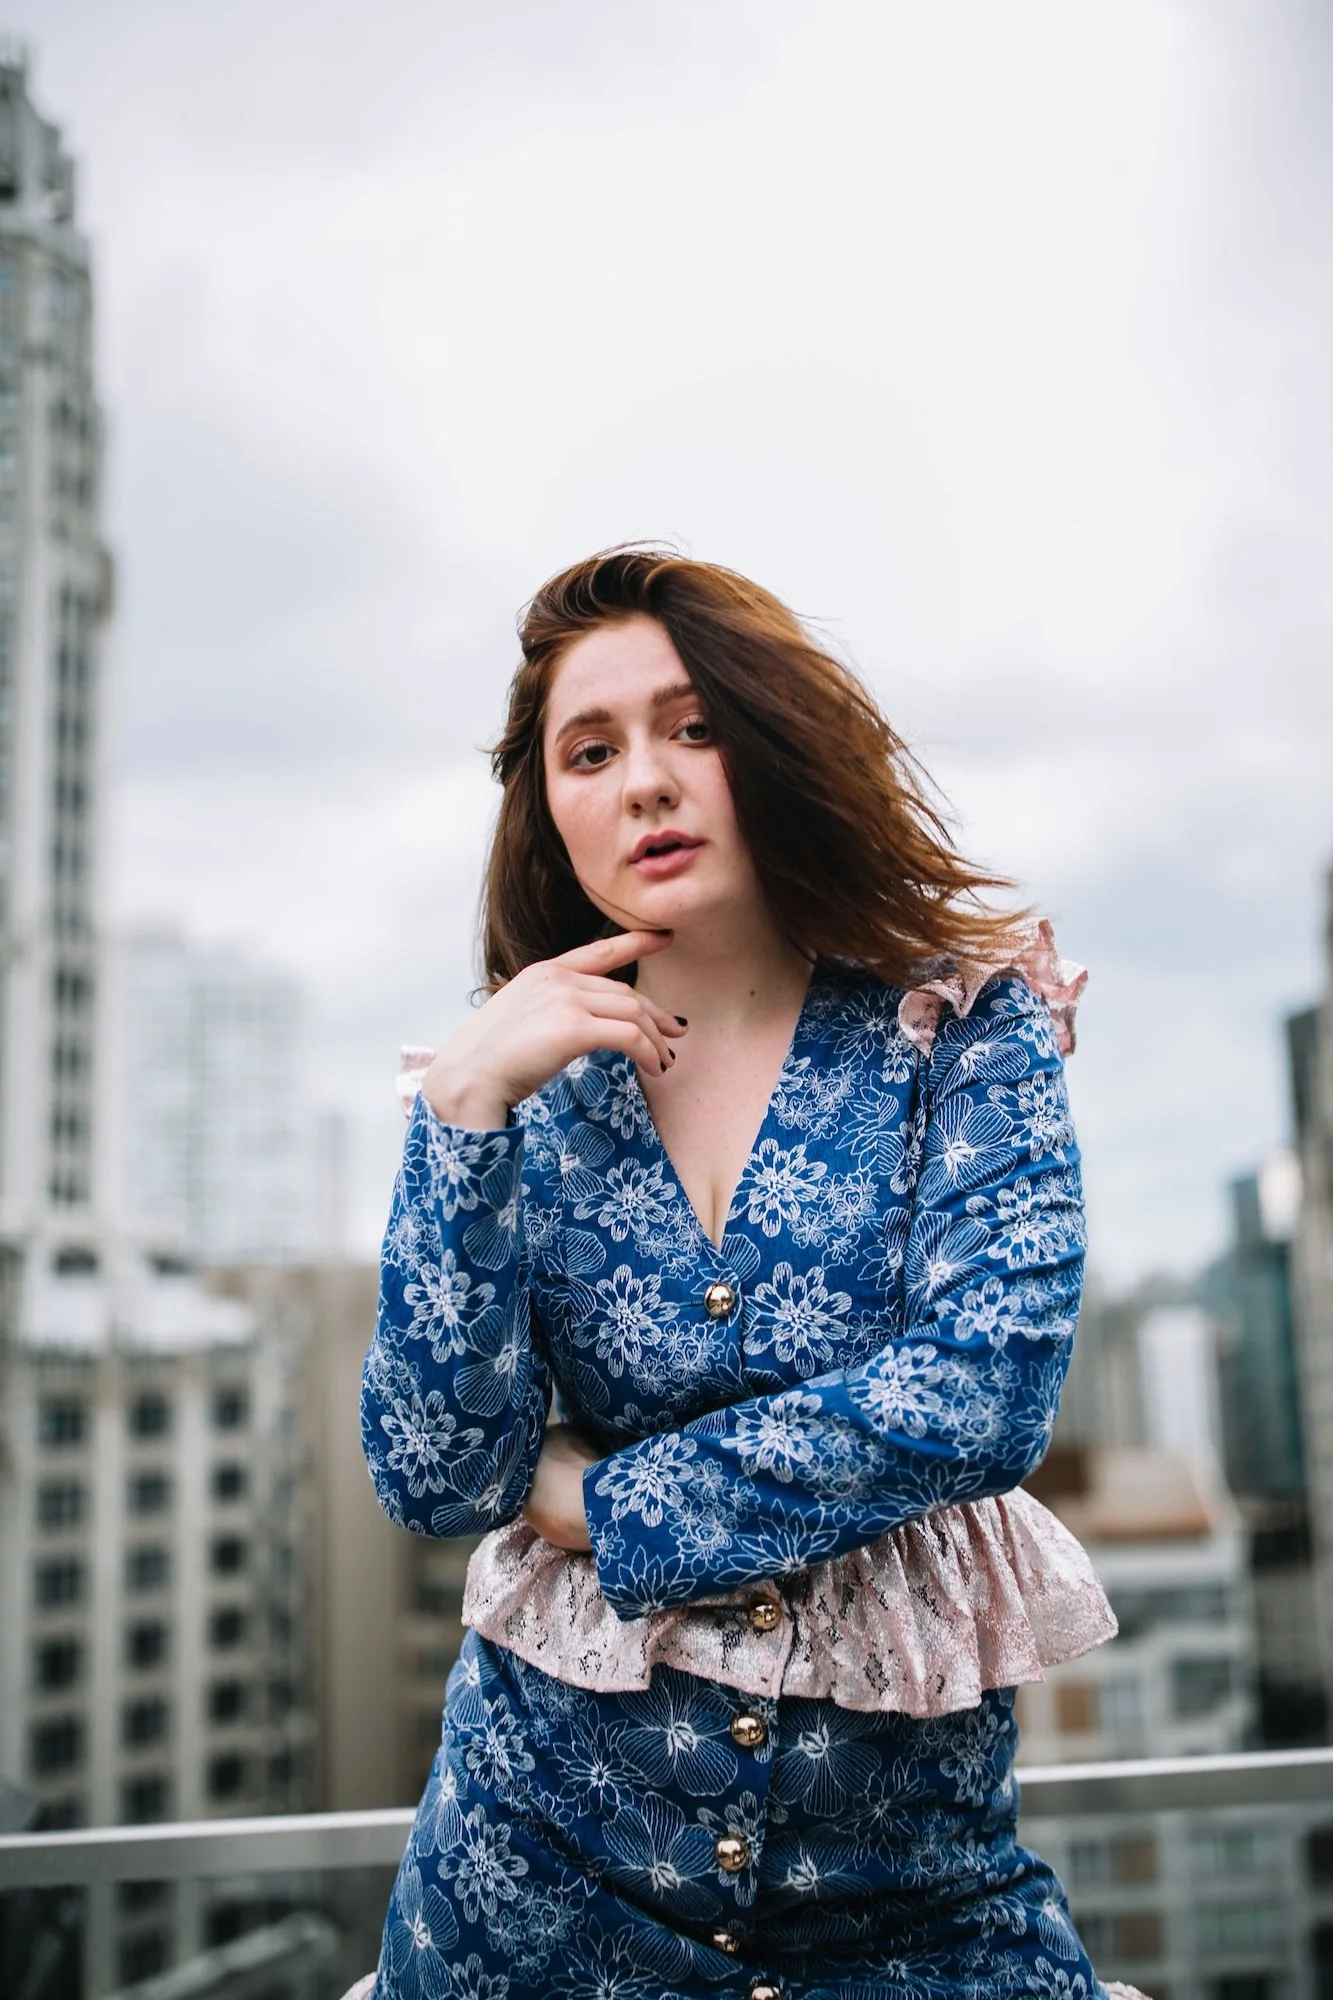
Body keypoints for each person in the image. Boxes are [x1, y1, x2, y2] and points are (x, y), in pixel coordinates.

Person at [354, 548, 1150, 2000]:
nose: (645, 781)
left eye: (694, 727)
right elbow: (433, 1473)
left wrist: (600, 1502)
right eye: (589, 753)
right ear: (553, 812)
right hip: (529, 1894)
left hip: (906, 1905)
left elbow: (987, 1391)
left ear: (773, 744)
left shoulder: (963, 1023)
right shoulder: (516, 1087)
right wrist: (461, 1116)